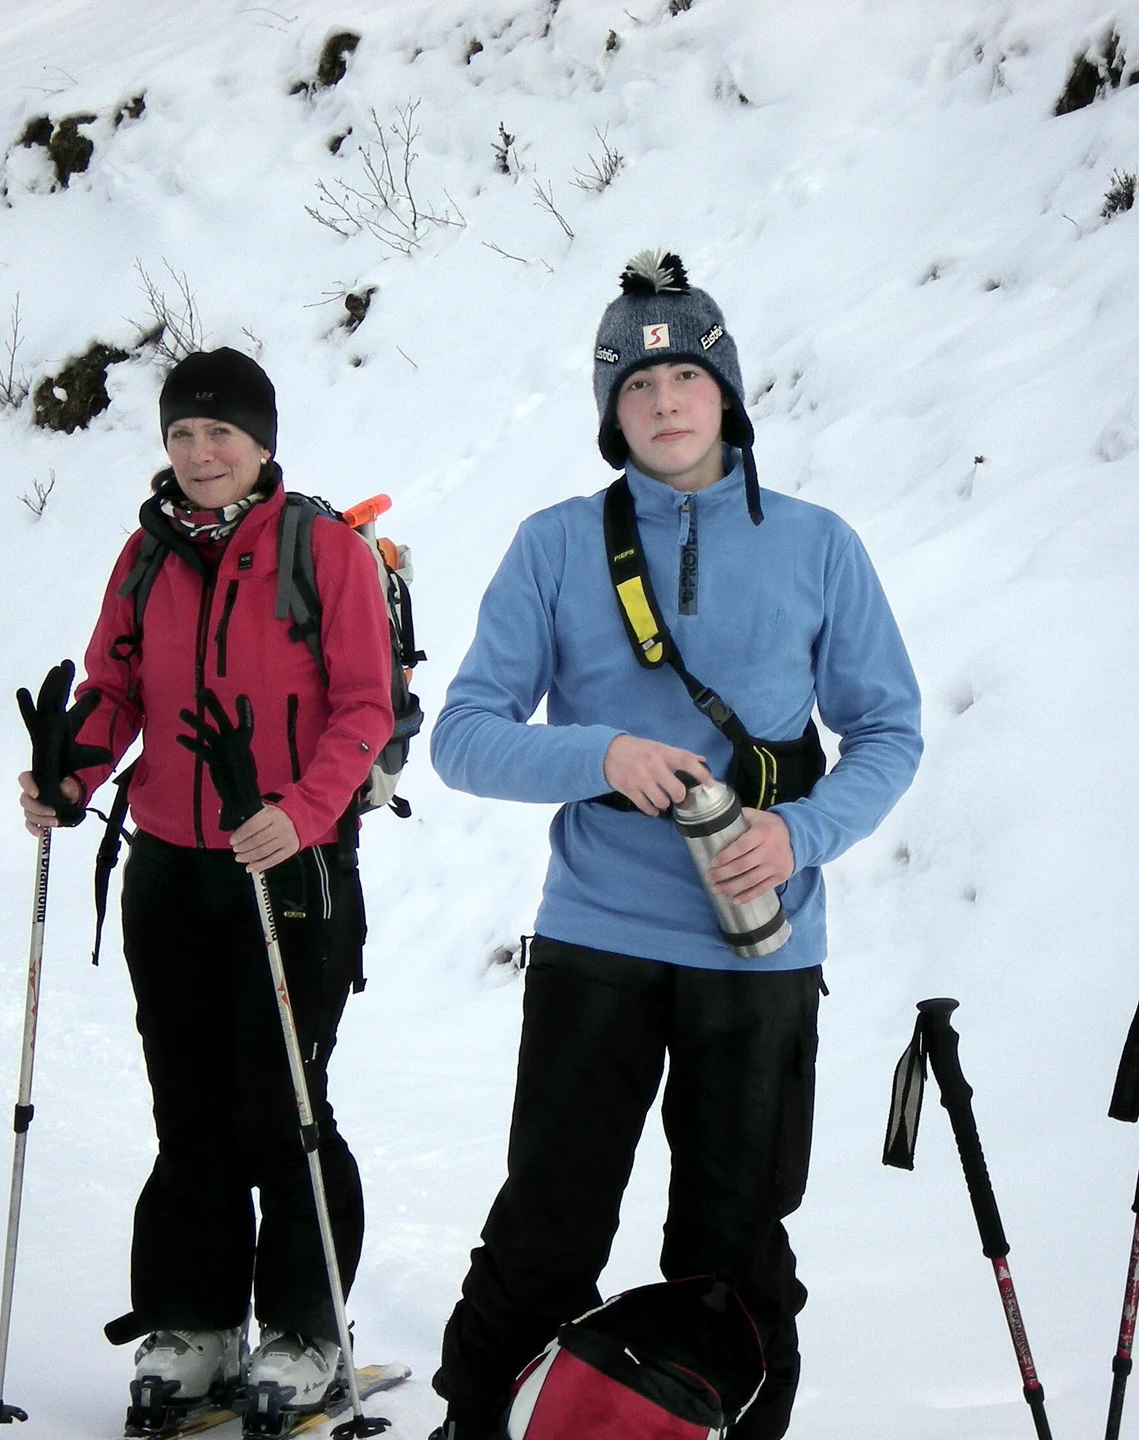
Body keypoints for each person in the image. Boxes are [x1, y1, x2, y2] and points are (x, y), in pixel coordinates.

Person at [426, 252, 923, 1439]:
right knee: (547, 1228)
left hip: (759, 952)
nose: (663, 403)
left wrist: (799, 834)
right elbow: (463, 736)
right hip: (596, 939)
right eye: (636, 386)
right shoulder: (555, 545)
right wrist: (599, 756)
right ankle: (477, 1429)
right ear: (612, 412)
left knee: (735, 1250)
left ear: (726, 392)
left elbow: (890, 732)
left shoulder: (818, 545)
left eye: (686, 377)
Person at [16, 347, 395, 1422]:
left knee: (284, 1107)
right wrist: (71, 775)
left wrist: (303, 812)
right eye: (182, 433)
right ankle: (196, 1321)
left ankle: (306, 1330)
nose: (200, 451)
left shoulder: (323, 551)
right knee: (188, 1108)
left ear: (263, 442)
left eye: (221, 432)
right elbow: (114, 688)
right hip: (170, 866)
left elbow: (366, 706)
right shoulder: (147, 553)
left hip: (290, 867)